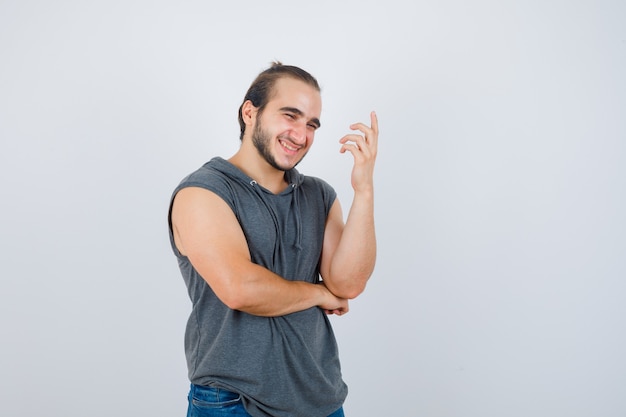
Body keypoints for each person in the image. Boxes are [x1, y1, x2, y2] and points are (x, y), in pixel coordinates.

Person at [167, 62, 378, 417]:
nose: (301, 134)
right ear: (250, 112)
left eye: (311, 124)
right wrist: (320, 293)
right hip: (233, 403)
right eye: (290, 116)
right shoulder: (203, 192)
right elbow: (241, 289)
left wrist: (364, 190)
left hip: (321, 399)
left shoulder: (318, 195)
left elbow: (350, 283)